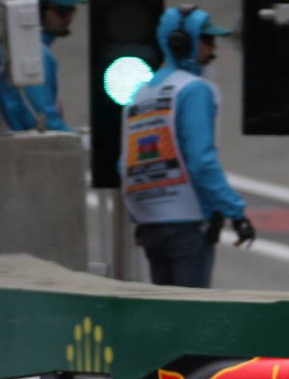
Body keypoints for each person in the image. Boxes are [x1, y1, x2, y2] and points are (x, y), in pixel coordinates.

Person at [119, 5, 255, 288]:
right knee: (192, 311)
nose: (213, 47)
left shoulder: (139, 93)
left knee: (166, 309)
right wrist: (235, 212)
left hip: (149, 223)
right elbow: (201, 161)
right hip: (187, 221)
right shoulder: (194, 89)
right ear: (182, 42)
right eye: (207, 39)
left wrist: (140, 214)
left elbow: (125, 165)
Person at [0, 0, 82, 132]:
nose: (69, 19)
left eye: (72, 11)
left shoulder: (3, 49)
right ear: (37, 10)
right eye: (62, 11)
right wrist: (77, 140)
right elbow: (43, 121)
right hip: (22, 142)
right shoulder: (34, 54)